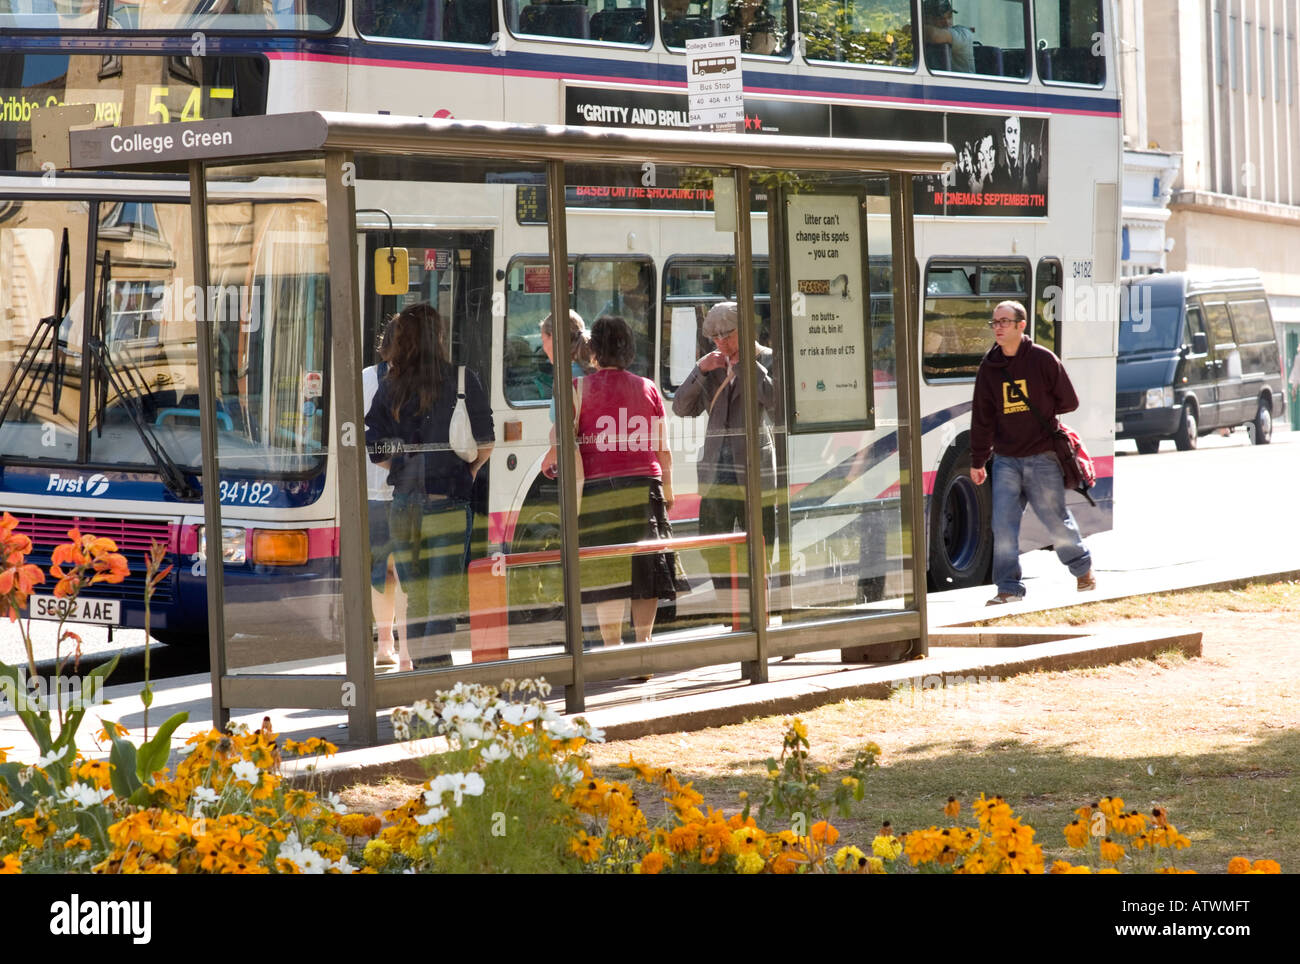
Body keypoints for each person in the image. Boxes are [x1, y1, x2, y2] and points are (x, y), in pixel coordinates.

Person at [365, 302, 494, 668]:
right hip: (449, 501)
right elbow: (485, 442)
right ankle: (436, 680)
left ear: (402, 340)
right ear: (438, 336)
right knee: (442, 598)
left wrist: (404, 466)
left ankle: (423, 678)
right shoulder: (464, 380)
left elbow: (374, 446)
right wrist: (467, 473)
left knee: (417, 597)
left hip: (405, 503)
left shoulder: (390, 386)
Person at [970, 301, 1094, 605]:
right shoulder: (990, 367)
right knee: (1002, 525)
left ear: (1021, 325)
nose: (997, 327)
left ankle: (1082, 569)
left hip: (1042, 457)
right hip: (1006, 460)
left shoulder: (1042, 359)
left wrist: (1040, 409)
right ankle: (1009, 588)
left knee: (1054, 521)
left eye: (1004, 322)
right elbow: (982, 417)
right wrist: (978, 460)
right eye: (994, 322)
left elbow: (1069, 401)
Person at [575, 315, 679, 649]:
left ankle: (611, 645)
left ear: (594, 351)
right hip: (644, 484)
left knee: (608, 569)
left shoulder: (579, 390)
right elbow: (663, 449)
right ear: (629, 349)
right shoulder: (648, 388)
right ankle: (643, 641)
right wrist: (669, 490)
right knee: (645, 567)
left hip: (598, 489)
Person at [671, 302, 776, 594]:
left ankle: (757, 616)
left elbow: (777, 405)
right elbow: (681, 407)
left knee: (758, 550)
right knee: (714, 549)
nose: (720, 343)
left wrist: (747, 368)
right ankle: (728, 613)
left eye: (727, 337)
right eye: (715, 339)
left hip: (754, 474)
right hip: (717, 473)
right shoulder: (712, 366)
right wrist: (700, 369)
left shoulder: (767, 359)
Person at [363, 322, 409, 671]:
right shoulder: (420, 382)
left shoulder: (364, 378)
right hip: (407, 489)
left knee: (382, 572)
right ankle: (407, 650)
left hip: (370, 491)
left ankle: (385, 643)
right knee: (406, 571)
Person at [539, 309, 593, 480]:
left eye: (543, 339)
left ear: (554, 339)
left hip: (577, 464)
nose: (542, 347)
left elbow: (563, 426)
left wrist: (551, 454)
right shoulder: (588, 370)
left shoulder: (566, 376)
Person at [922, 0, 974, 73]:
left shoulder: (963, 33)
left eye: (949, 16)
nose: (947, 22)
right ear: (927, 20)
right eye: (940, 18)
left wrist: (914, 28)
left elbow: (934, 35)